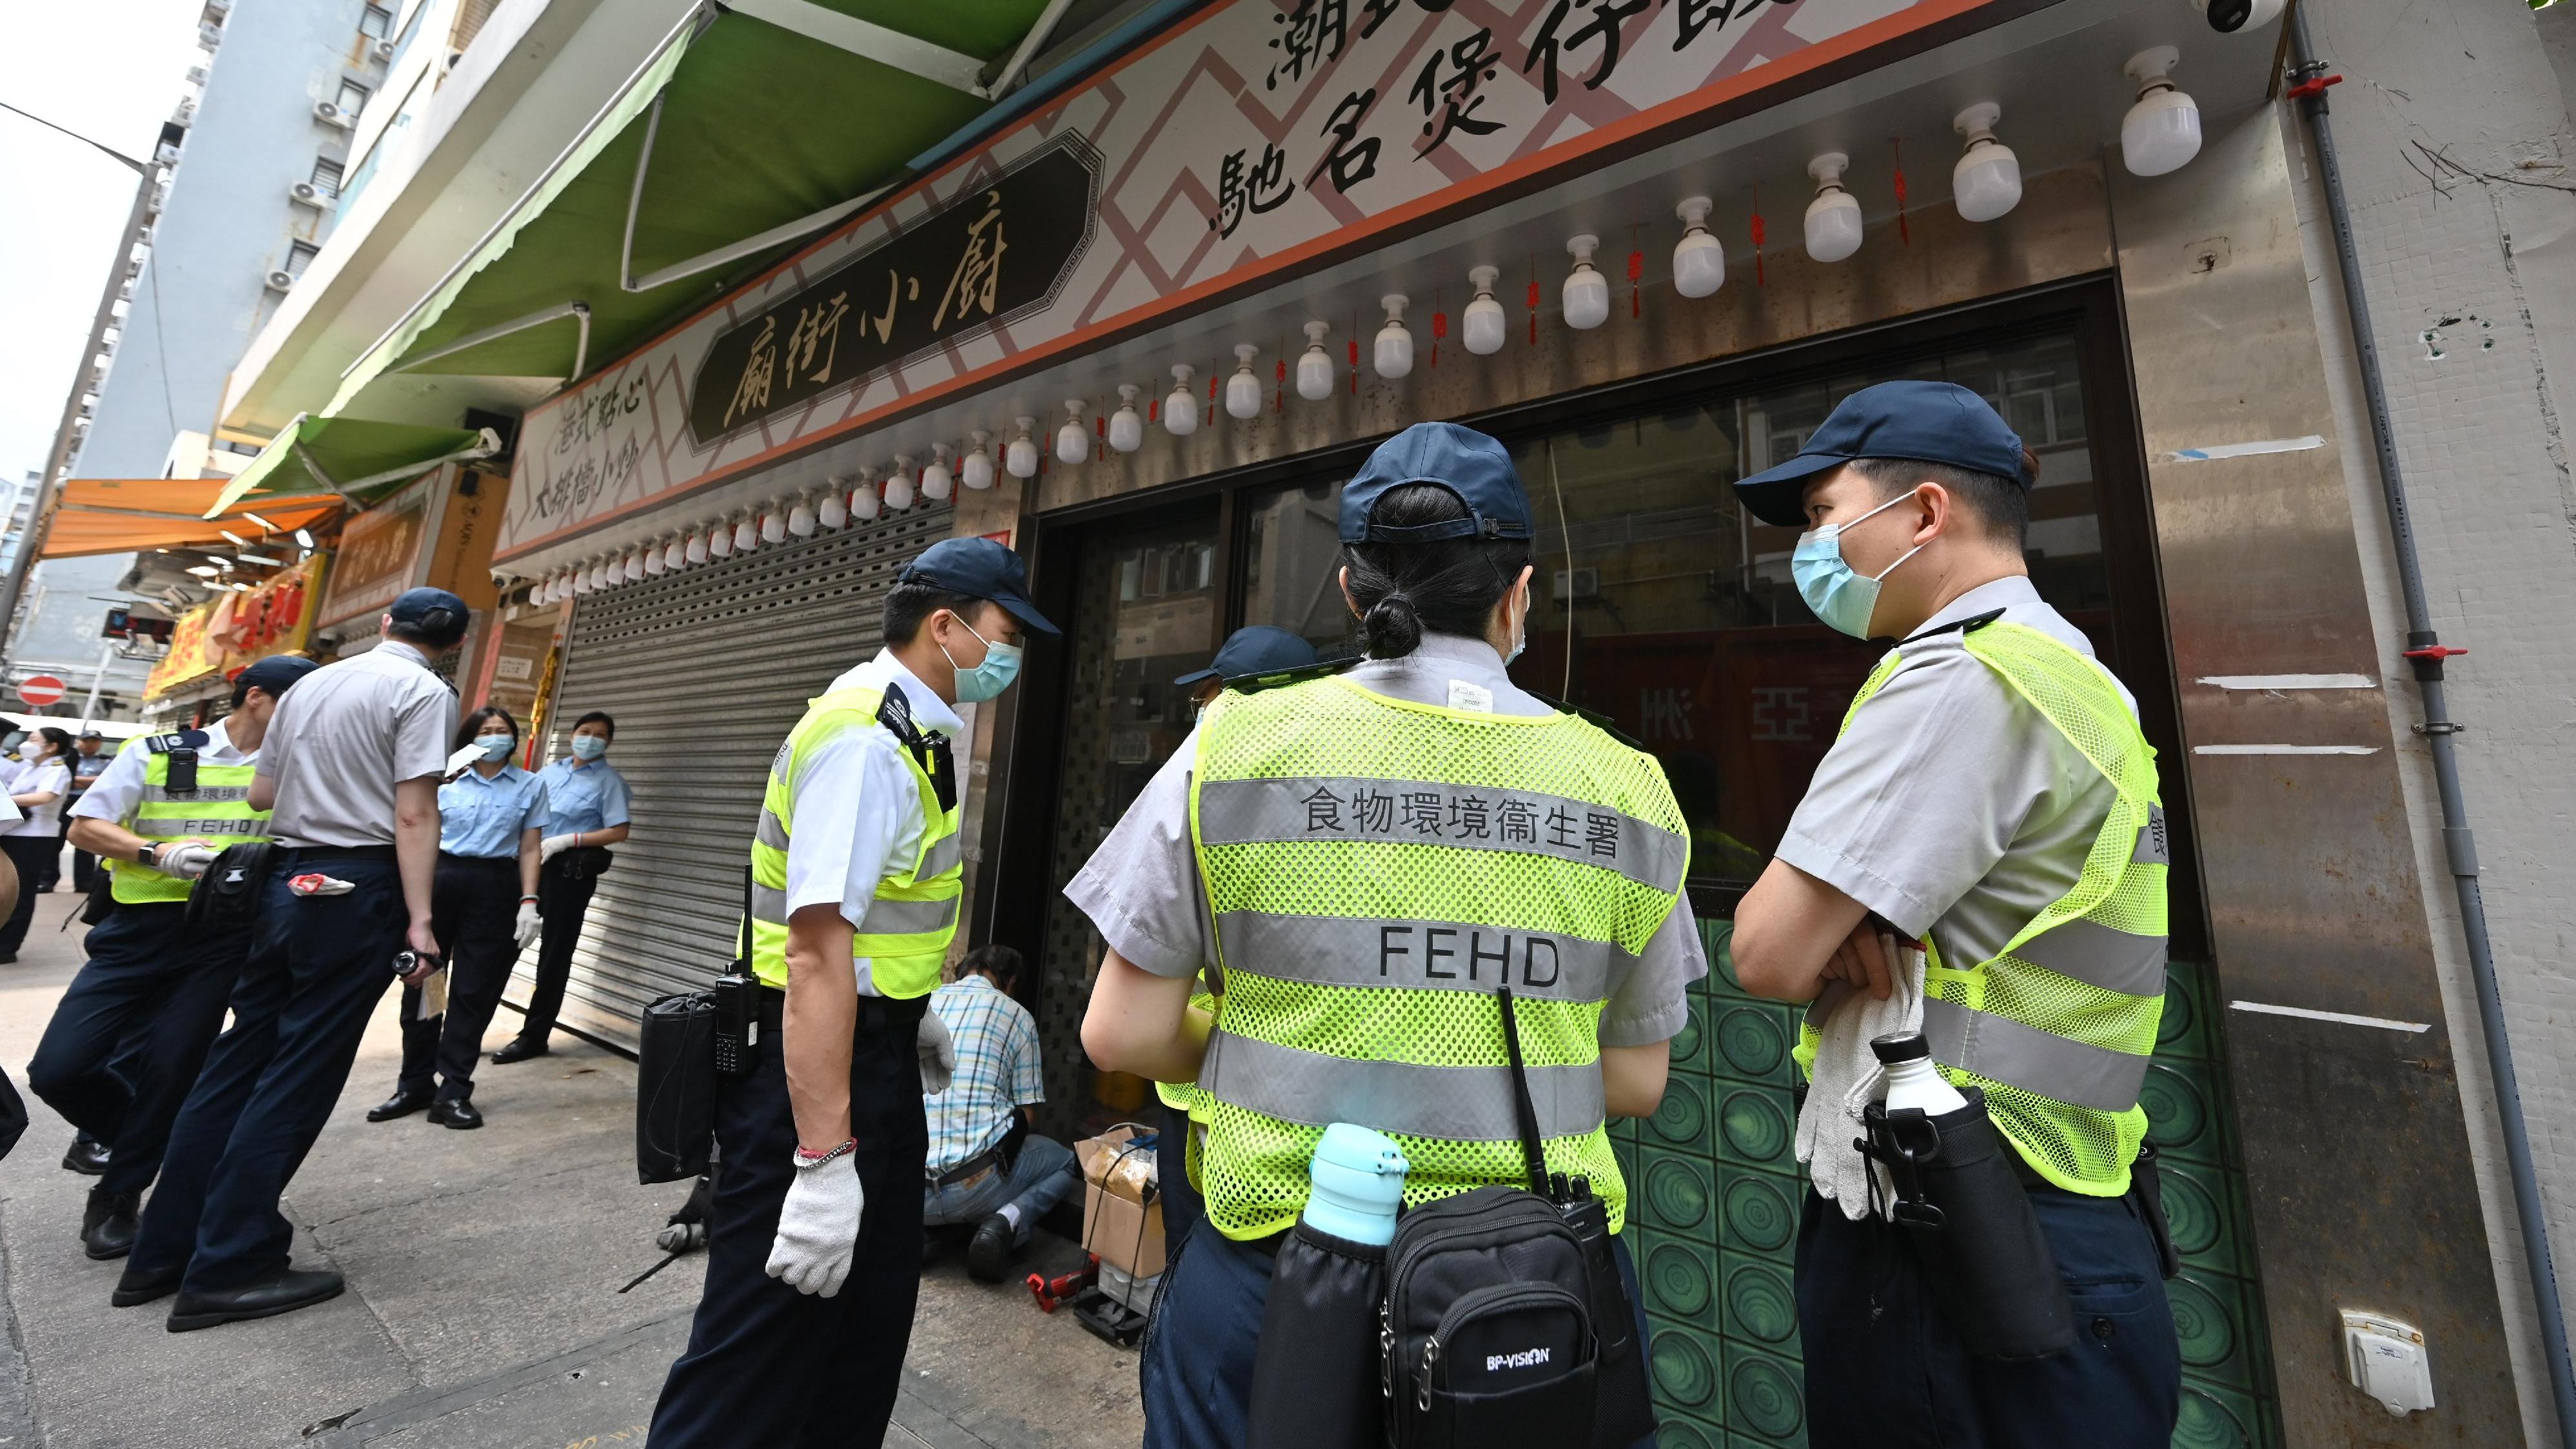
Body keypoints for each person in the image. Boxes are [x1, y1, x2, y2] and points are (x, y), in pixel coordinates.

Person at [1072, 422, 1706, 1449]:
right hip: (1529, 1297)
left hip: (1275, 1273)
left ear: (1354, 589)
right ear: (1518, 593)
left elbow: (1121, 1031)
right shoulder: (1626, 785)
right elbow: (1634, 1083)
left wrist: (1253, 1045)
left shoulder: (1234, 743)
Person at [1724, 381, 2179, 1448]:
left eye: (1824, 512)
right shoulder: (2073, 672)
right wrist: (1864, 932)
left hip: (1956, 1237)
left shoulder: (1959, 675)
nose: (1811, 548)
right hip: (2065, 1208)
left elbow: (1765, 951)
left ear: (1924, 512)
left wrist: (1845, 938)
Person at [648, 537, 1056, 1448]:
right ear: (943, 626)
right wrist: (822, 1162)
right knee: (757, 1353)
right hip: (809, 1082)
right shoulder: (866, 740)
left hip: (870, 1054)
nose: (1012, 655)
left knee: (856, 1345)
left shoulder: (918, 732)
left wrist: (907, 1019)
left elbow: (873, 934)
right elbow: (816, 956)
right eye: (1004, 631)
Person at [116, 589, 462, 1330]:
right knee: (298, 1074)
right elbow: (413, 811)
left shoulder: (310, 685)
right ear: (452, 645)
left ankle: (160, 1253)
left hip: (282, 880)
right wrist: (423, 921)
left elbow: (264, 793)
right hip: (355, 885)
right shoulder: (422, 692)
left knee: (237, 1062)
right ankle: (231, 1263)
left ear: (383, 625)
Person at [28, 655, 318, 1261]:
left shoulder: (297, 767)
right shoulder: (157, 750)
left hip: (222, 939)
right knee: (59, 1067)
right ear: (258, 697)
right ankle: (146, 1140)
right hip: (137, 931)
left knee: (172, 1066)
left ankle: (117, 1195)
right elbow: (84, 827)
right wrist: (156, 851)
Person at [1154, 624, 1321, 1248]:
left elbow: (1122, 1030)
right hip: (1243, 1096)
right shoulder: (1329, 811)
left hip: (1228, 1090)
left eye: (1214, 697)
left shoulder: (1192, 799)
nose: (1205, 712)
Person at [368, 704, 547, 1130]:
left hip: (494, 888)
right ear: (469, 737)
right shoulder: (442, 779)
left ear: (514, 738)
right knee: (427, 983)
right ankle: (414, 1083)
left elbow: (529, 847)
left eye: (502, 729)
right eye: (485, 729)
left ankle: (453, 1089)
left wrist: (528, 901)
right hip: (438, 880)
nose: (494, 736)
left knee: (474, 990)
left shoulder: (529, 784)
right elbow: (414, 828)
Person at [921, 944, 1081, 1283]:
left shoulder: (928, 999)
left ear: (961, 971)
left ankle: (931, 1231)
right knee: (1065, 1160)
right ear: (1009, 982)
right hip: (975, 1188)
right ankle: (1003, 1223)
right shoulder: (1017, 1015)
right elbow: (1027, 1114)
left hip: (909, 1189)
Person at [493, 710, 630, 1062]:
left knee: (554, 956)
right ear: (572, 735)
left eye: (600, 735)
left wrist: (569, 840)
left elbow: (619, 830)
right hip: (528, 866)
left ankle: (535, 1035)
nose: (591, 738)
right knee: (502, 946)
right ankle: (472, 1026)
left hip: (568, 875)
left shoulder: (609, 782)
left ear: (609, 742)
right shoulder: (549, 773)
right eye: (585, 731)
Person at [0, 728, 75, 959]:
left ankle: (7, 948)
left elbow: (45, 797)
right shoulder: (29, 767)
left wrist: (6, 802)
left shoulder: (56, 769)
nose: (26, 744)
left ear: (52, 747)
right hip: (14, 833)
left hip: (35, 836)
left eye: (33, 740)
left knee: (21, 892)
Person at [63, 729, 110, 891]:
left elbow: (103, 782)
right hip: (67, 801)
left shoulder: (106, 761)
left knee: (85, 843)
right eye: (86, 740)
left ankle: (84, 882)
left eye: (94, 741)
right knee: (56, 843)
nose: (90, 744)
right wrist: (89, 781)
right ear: (78, 741)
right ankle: (47, 880)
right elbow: (63, 780)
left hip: (91, 803)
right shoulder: (68, 758)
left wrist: (73, 780)